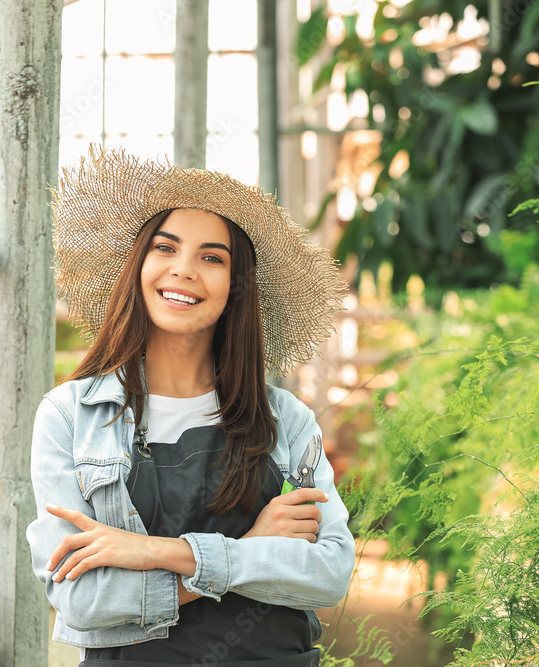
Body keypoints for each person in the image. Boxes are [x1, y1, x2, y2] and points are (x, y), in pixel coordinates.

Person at [25, 144, 355, 666]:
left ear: (237, 286)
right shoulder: (71, 416)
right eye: (165, 248)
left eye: (211, 258)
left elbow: (329, 574)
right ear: (139, 265)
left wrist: (157, 551)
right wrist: (253, 547)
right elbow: (83, 600)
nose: (183, 270)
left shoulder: (285, 420)